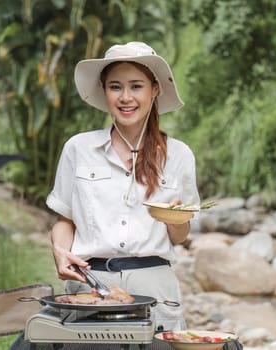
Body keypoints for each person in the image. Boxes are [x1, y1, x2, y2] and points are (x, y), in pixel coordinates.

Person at [47, 41, 200, 331]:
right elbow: (64, 220)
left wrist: (175, 219)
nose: (126, 97)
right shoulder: (78, 148)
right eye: (115, 87)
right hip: (92, 287)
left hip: (155, 288)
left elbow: (180, 236)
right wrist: (60, 251)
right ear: (104, 91)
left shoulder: (179, 155)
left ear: (155, 90)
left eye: (136, 86)